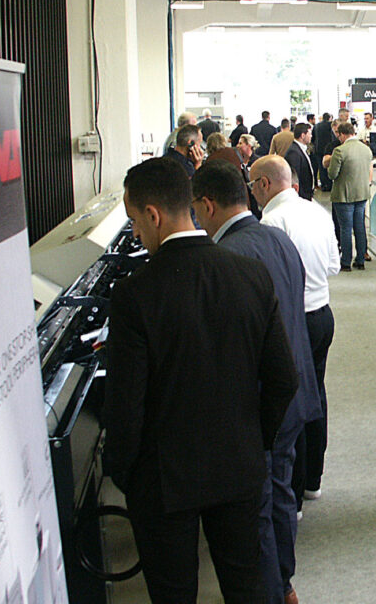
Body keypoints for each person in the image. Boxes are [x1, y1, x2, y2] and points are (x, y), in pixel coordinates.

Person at [103, 157, 298, 604]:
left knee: (173, 593)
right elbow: (283, 378)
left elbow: (125, 403)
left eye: (135, 221)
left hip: (164, 480)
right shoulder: (250, 275)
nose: (136, 234)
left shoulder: (135, 294)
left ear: (153, 215)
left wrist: (125, 473)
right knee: (245, 586)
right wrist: (256, 439)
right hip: (240, 464)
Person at [191, 160, 323, 604]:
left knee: (258, 511)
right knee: (282, 495)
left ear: (206, 206)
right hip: (293, 395)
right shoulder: (277, 239)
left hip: (260, 404)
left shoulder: (227, 258)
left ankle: (271, 592)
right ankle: (284, 584)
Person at [249, 156, 340, 518]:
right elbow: (334, 264)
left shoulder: (272, 220)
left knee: (293, 405)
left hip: (293, 320)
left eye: (253, 183)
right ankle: (313, 480)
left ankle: (295, 494)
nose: (252, 191)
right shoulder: (316, 210)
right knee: (316, 395)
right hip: (323, 315)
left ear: (265, 184)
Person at [327, 121, 373, 271]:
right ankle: (360, 259)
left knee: (345, 228)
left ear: (342, 134)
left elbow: (332, 174)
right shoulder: (366, 150)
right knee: (359, 226)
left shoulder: (340, 151)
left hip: (343, 195)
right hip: (361, 194)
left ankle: (346, 261)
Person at [284, 123, 316, 201]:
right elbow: (296, 177)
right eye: (310, 134)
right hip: (302, 196)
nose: (311, 136)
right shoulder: (294, 152)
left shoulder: (301, 149)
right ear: (302, 135)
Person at [312, 113, 334, 191]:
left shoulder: (316, 126)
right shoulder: (331, 125)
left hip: (318, 150)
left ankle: (324, 185)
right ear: (329, 118)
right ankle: (329, 184)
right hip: (328, 149)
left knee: (321, 168)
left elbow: (313, 138)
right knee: (330, 166)